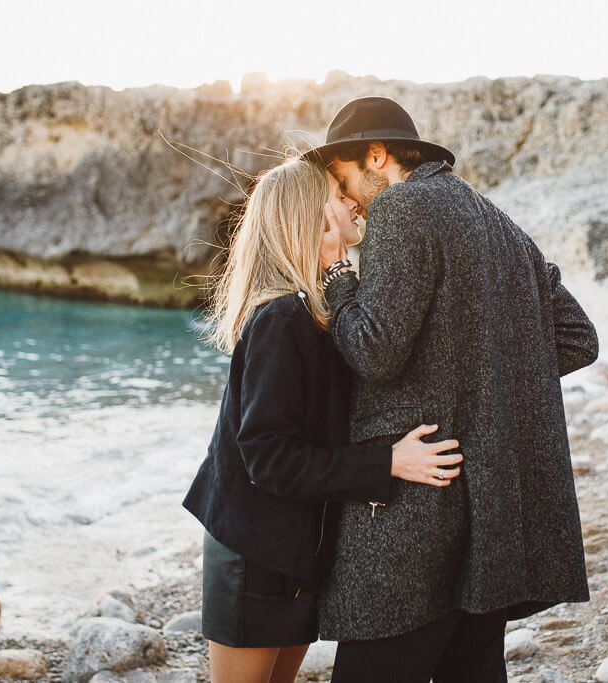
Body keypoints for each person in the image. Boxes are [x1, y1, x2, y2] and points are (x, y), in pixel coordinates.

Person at [300, 96, 600, 682]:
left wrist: (337, 272)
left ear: (377, 156)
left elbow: (375, 352)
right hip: (491, 519)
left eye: (343, 181)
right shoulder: (494, 219)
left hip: (418, 507)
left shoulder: (402, 208)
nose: (349, 201)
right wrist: (482, 390)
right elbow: (575, 337)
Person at [181, 156, 466, 683]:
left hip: (295, 549)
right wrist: (389, 463)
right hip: (252, 553)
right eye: (339, 194)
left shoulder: (320, 314)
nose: (354, 201)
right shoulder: (281, 319)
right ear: (308, 216)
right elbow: (268, 458)